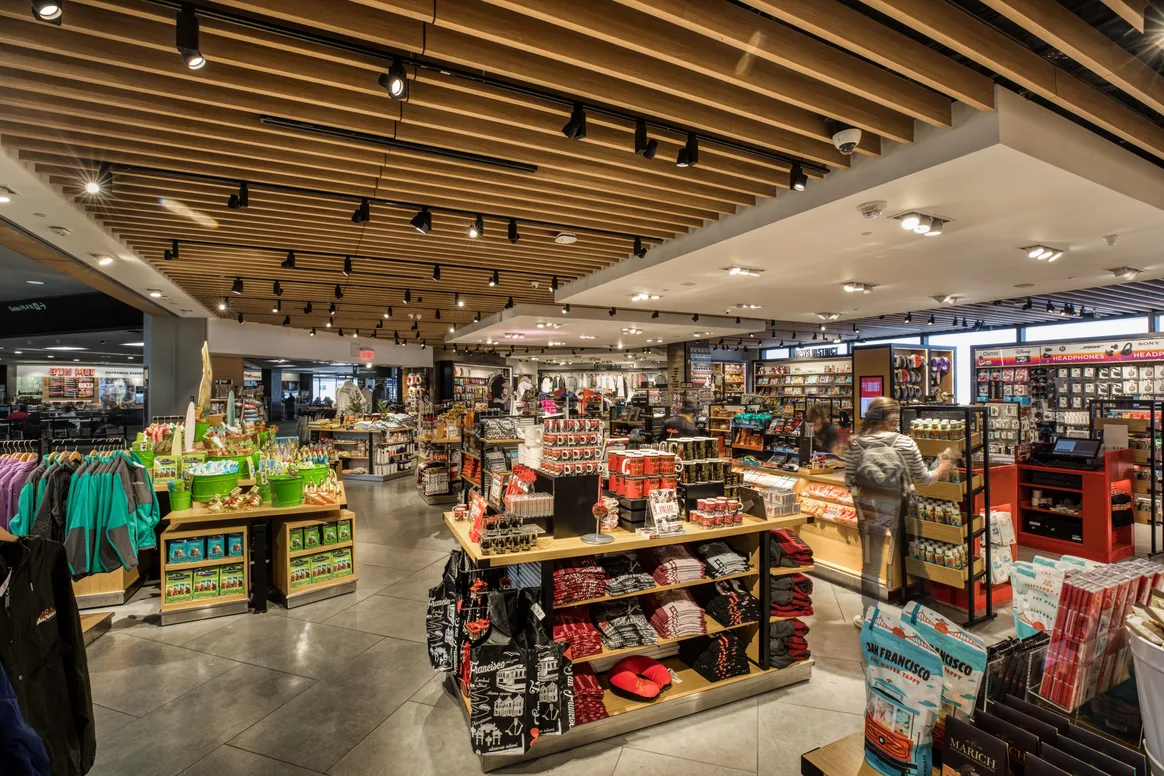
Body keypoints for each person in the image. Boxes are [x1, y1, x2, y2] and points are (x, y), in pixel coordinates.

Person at [844, 397, 953, 627]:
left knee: (870, 564)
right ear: (891, 418)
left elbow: (848, 481)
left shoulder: (856, 444)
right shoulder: (906, 443)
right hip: (900, 505)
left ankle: (868, 616)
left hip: (869, 508)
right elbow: (924, 479)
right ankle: (924, 615)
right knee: (912, 556)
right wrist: (941, 467)